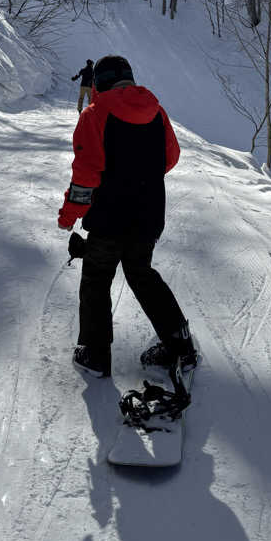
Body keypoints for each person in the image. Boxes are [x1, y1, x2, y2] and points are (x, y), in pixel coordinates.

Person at [57, 54, 197, 378]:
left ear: (99, 83)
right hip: (147, 218)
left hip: (108, 220)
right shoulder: (157, 112)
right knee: (141, 275)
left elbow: (85, 179)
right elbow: (170, 157)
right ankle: (180, 344)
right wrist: (141, 176)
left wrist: (68, 217)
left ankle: (94, 354)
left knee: (96, 278)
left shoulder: (95, 115)